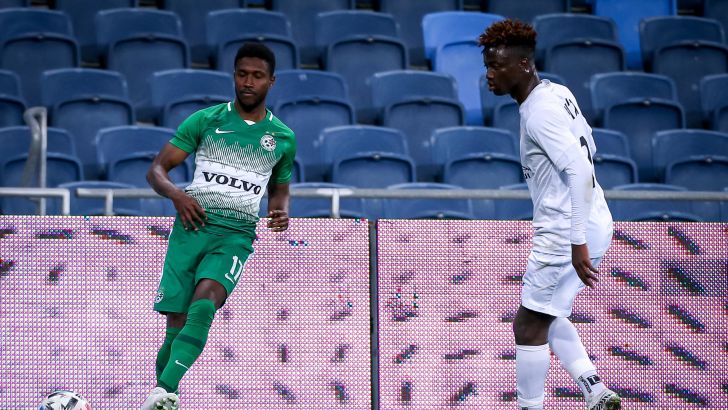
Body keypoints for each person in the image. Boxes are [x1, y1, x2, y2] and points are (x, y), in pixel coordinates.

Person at [141, 42, 296, 410]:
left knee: (205, 303)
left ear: (271, 81)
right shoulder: (205, 120)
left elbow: (279, 191)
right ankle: (165, 397)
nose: (248, 82)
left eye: (257, 76)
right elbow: (157, 170)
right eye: (242, 74)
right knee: (176, 322)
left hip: (235, 235)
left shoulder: (282, 138)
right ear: (234, 76)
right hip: (191, 227)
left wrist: (280, 212)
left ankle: (162, 390)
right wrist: (177, 196)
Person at [478, 20, 620, 410]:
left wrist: (576, 241)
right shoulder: (558, 92)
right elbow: (590, 147)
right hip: (596, 218)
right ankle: (595, 390)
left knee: (527, 325)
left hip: (565, 229)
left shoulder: (538, 112)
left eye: (497, 66)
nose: (489, 74)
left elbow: (580, 170)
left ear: (524, 64)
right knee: (548, 312)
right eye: (487, 66)